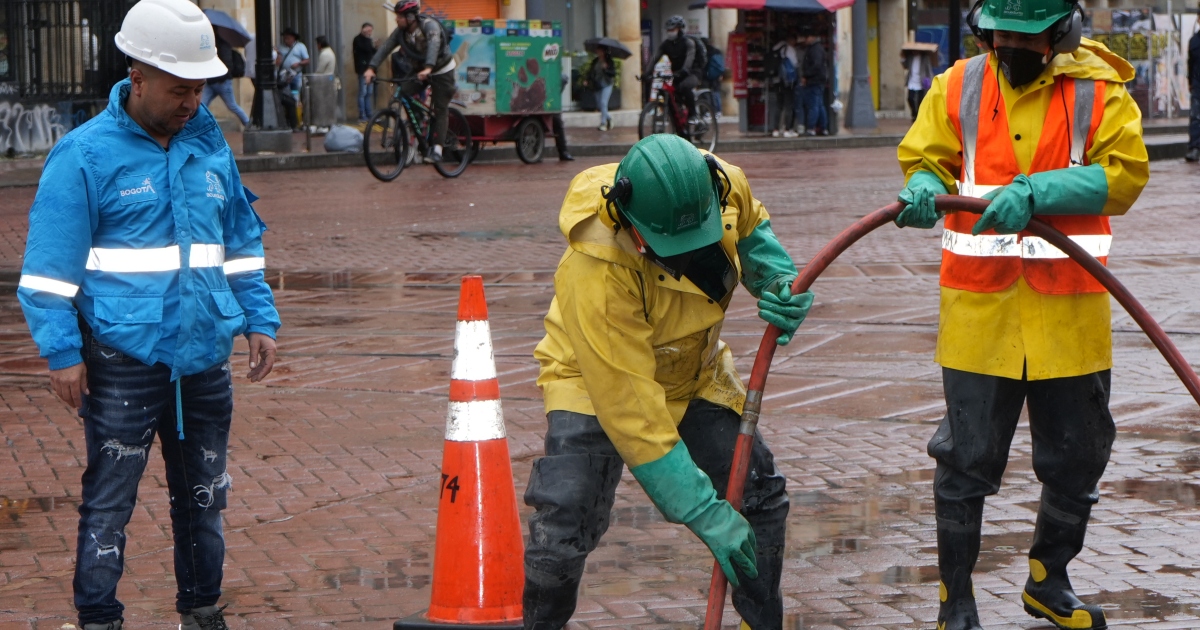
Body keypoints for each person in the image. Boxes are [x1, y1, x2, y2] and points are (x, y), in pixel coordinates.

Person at [17, 0, 281, 628]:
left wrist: (258, 318)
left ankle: (202, 609)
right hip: (122, 361)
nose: (193, 102)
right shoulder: (84, 155)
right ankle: (100, 616)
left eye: (200, 89)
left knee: (205, 498)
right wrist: (63, 352)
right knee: (109, 502)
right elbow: (47, 271)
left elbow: (240, 243)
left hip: (203, 359)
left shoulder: (210, 147)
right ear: (137, 77)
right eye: (179, 90)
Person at [894, 0, 1148, 626]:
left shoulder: (1098, 90)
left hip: (1069, 311)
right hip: (980, 311)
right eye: (1000, 34)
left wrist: (1039, 191)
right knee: (965, 460)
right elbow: (927, 156)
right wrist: (923, 182)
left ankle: (1047, 581)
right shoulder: (959, 84)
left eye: (1026, 38)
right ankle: (955, 602)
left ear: (1063, 32)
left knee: (1079, 455)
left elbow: (1124, 175)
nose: (1009, 47)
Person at [522, 134, 814, 629]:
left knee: (758, 497)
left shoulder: (722, 185)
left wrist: (777, 280)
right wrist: (704, 511)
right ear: (630, 224)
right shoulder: (595, 268)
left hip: (694, 372)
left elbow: (750, 230)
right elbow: (632, 409)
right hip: (594, 381)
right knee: (565, 517)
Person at [364, 0, 455, 163]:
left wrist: (429, 67)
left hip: (442, 70)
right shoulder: (401, 32)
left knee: (440, 108)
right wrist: (372, 67)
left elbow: (434, 45)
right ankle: (419, 120)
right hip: (420, 69)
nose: (396, 19)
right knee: (404, 92)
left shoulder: (429, 26)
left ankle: (438, 149)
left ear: (410, 17)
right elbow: (386, 47)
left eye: (399, 17)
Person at [655, 15, 702, 125]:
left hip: (692, 73)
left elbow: (689, 59)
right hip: (676, 75)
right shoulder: (666, 45)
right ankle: (679, 121)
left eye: (673, 29)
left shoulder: (688, 42)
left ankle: (693, 115)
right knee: (669, 93)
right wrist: (646, 74)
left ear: (680, 29)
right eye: (668, 30)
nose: (670, 32)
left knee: (684, 87)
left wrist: (684, 70)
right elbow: (654, 59)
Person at [202, 36, 250, 128]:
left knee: (232, 106)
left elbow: (228, 64)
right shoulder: (210, 46)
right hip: (212, 81)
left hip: (222, 82)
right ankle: (198, 127)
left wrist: (221, 77)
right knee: (201, 105)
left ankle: (248, 124)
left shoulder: (223, 45)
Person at [276, 27, 309, 130]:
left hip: (296, 76)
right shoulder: (281, 47)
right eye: (285, 38)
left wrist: (298, 63)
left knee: (295, 97)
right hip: (285, 76)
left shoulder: (300, 47)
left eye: (288, 38)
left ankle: (296, 121)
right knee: (286, 97)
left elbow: (307, 60)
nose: (286, 40)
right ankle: (288, 120)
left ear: (293, 38)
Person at [580, 45, 618, 131]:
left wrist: (605, 69)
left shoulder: (609, 61)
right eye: (597, 51)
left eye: (600, 51)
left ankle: (603, 123)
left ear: (604, 51)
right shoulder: (595, 61)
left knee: (603, 103)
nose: (598, 52)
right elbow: (591, 72)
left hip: (607, 84)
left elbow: (613, 73)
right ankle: (609, 118)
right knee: (600, 105)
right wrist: (587, 80)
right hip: (597, 85)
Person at [771, 34, 800, 137]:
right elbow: (795, 64)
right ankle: (788, 129)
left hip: (776, 81)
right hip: (787, 81)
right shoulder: (789, 49)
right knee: (789, 105)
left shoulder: (776, 48)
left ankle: (775, 129)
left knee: (779, 105)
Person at [800, 34, 828, 136]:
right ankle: (823, 127)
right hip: (819, 80)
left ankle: (811, 128)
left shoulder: (814, 50)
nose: (805, 39)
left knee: (813, 105)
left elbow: (816, 65)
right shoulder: (818, 48)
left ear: (812, 37)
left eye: (806, 37)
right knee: (819, 104)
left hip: (814, 81)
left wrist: (806, 75)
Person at [901, 48, 933, 122]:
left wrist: (930, 80)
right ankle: (914, 113)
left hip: (921, 82)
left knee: (920, 100)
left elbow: (928, 70)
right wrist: (902, 58)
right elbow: (905, 66)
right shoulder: (910, 57)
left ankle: (918, 115)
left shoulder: (925, 58)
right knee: (910, 98)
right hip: (912, 81)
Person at [353, 23, 378, 122]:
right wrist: (370, 42)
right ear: (363, 29)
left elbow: (372, 52)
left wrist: (375, 46)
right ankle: (362, 114)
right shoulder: (358, 40)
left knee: (369, 92)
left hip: (370, 70)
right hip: (362, 70)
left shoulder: (368, 40)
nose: (370, 33)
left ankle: (369, 113)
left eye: (371, 31)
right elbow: (366, 49)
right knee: (363, 92)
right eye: (368, 30)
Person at [1188, 23, 1199, 162]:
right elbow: (1190, 63)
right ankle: (1194, 148)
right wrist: (1190, 81)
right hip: (1197, 84)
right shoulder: (1194, 40)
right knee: (1196, 117)